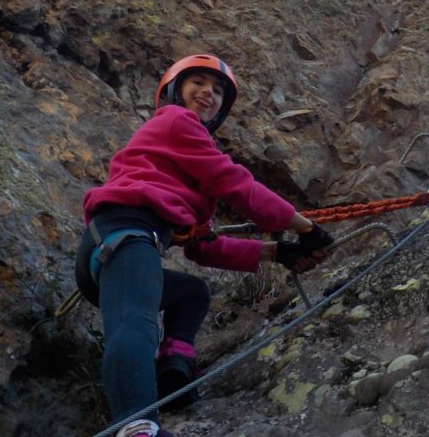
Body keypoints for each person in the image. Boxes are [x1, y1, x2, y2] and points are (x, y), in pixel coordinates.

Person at [74, 54, 334, 437]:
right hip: (125, 236)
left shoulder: (184, 168)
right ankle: (135, 425)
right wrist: (304, 227)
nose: (207, 93)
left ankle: (175, 369)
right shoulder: (177, 122)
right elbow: (236, 184)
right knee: (135, 323)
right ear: (174, 92)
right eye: (197, 83)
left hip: (121, 246)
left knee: (192, 293)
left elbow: (203, 247)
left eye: (217, 92)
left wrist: (278, 253)